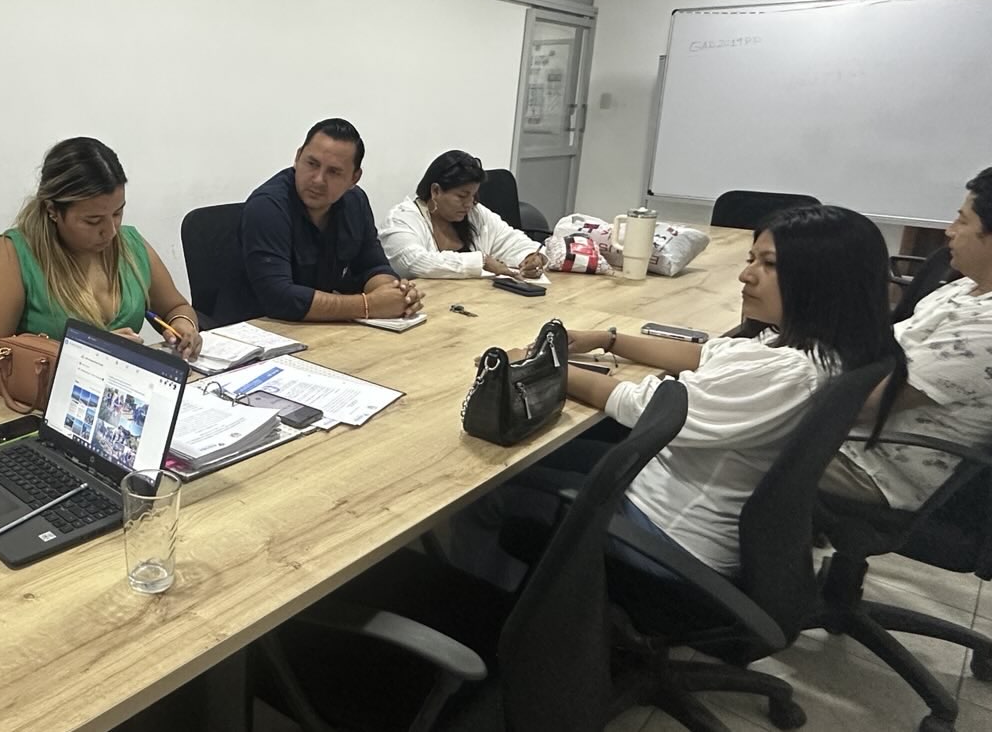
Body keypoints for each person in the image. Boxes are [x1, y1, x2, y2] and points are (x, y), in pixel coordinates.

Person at [531, 205, 906, 576]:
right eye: (751, 259)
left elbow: (643, 407)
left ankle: (532, 607)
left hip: (665, 537)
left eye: (769, 264)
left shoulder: (788, 372)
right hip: (666, 494)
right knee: (558, 451)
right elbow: (707, 353)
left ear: (824, 281)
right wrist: (608, 340)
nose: (746, 275)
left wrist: (542, 365)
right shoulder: (812, 347)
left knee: (510, 484)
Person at [0, 137, 202, 386]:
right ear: (53, 210)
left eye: (117, 213)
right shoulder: (13, 254)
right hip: (48, 398)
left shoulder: (129, 245)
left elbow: (176, 307)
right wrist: (84, 357)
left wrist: (183, 326)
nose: (110, 231)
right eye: (92, 221)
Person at [822, 167, 992, 509]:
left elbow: (863, 404)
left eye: (962, 221)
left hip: (875, 467)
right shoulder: (967, 287)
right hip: (849, 435)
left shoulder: (985, 330)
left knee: (729, 443)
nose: (949, 231)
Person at [215, 118, 422, 326]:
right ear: (297, 158)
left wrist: (395, 294)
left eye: (334, 172)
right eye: (312, 164)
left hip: (316, 328)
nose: (318, 180)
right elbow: (278, 297)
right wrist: (368, 305)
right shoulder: (267, 207)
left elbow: (372, 266)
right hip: (253, 328)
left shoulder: (355, 202)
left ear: (354, 178)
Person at [380, 150, 546, 280]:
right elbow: (413, 262)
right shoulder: (401, 219)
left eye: (473, 195)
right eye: (462, 196)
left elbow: (511, 241)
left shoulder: (474, 212)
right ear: (436, 191)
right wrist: (482, 261)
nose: (469, 203)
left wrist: (531, 257)